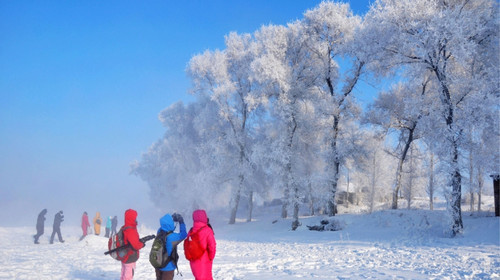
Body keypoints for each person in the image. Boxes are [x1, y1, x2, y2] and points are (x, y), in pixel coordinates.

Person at [155, 213, 187, 280]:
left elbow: (165, 227)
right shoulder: (172, 237)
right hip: (168, 267)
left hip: (158, 264)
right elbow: (183, 234)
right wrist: (181, 222)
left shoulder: (159, 232)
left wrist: (169, 219)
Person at [188, 209, 216, 280]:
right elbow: (212, 246)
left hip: (193, 261)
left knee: (198, 277)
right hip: (205, 260)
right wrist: (210, 257)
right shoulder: (207, 230)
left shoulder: (191, 231)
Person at [120, 209, 145, 280]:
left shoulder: (124, 227)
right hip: (129, 255)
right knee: (128, 274)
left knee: (124, 272)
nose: (136, 219)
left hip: (124, 254)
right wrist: (142, 244)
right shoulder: (131, 230)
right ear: (132, 218)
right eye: (135, 217)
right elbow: (135, 245)